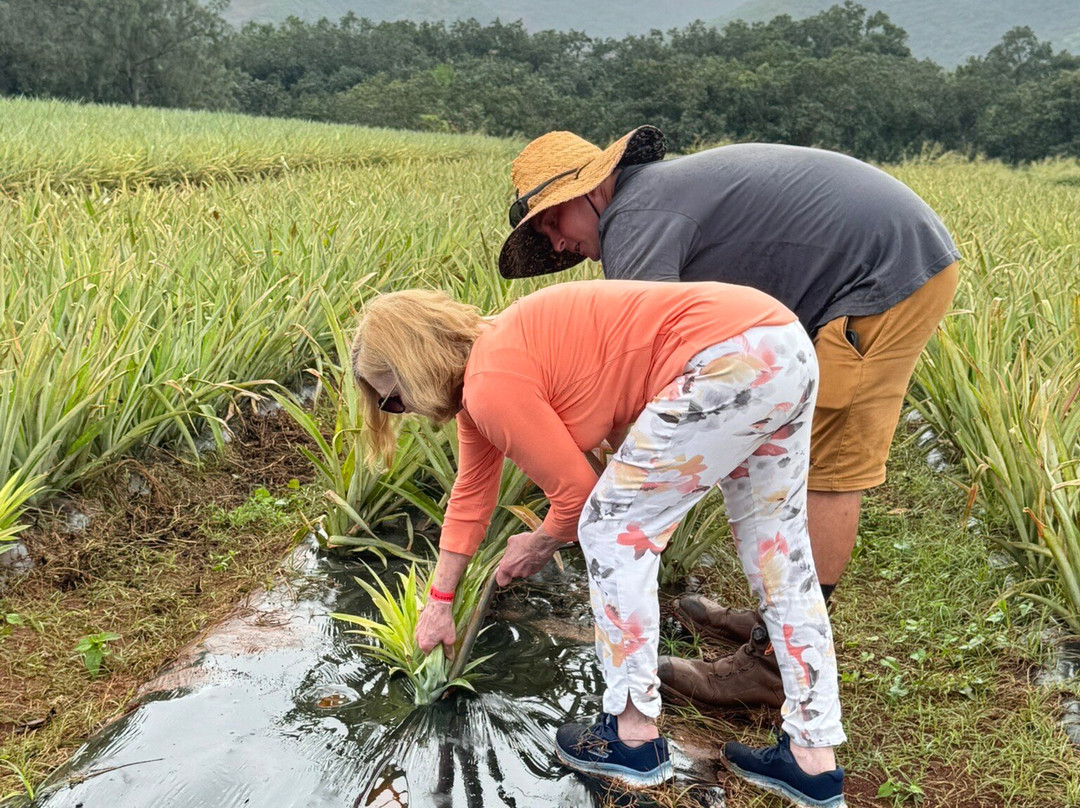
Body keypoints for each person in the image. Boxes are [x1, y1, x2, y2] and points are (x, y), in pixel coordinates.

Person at [499, 125, 960, 713]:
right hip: (882, 257)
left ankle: (769, 667)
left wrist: (594, 481)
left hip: (881, 276)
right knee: (774, 451)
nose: (556, 245)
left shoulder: (637, 219)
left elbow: (644, 373)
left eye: (549, 224)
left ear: (587, 194)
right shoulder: (650, 201)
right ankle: (772, 621)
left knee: (823, 466)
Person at [352, 281, 847, 807]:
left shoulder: (491, 380)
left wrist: (539, 543)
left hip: (723, 360)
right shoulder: (490, 370)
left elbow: (577, 496)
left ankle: (631, 736)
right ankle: (812, 757)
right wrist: (440, 603)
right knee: (779, 557)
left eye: (391, 397)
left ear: (412, 364)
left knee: (610, 531)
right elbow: (472, 493)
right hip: (779, 344)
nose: (400, 409)